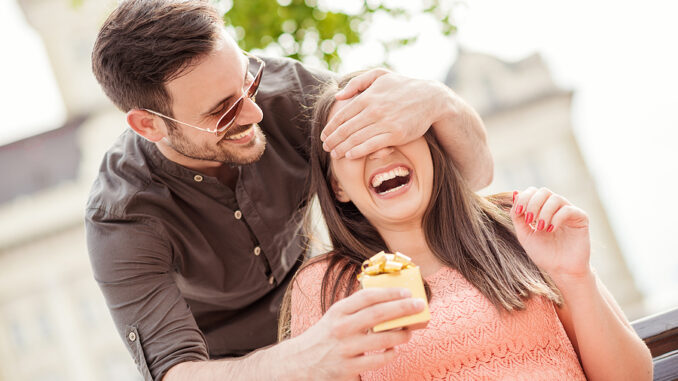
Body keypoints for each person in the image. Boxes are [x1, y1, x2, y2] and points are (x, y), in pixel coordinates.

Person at [85, 1, 494, 380]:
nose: (255, 111)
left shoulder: (292, 91)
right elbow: (177, 372)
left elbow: (473, 176)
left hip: (330, 317)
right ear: (148, 125)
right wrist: (303, 355)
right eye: (222, 110)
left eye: (249, 80)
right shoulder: (122, 216)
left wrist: (441, 102)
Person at [283, 73, 653, 380]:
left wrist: (574, 276)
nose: (380, 150)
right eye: (354, 142)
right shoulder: (325, 288)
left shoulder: (519, 225)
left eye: (390, 128)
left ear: (430, 145)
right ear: (338, 187)